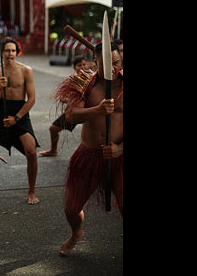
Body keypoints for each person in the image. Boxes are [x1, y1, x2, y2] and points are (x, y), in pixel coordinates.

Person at [53, 42, 123, 256]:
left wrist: (120, 149)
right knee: (71, 209)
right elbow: (71, 115)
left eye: (117, 62)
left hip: (120, 155)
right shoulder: (84, 83)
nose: (113, 68)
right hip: (88, 155)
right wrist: (98, 109)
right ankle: (76, 233)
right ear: (96, 62)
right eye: (107, 63)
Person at [0, 37, 40, 204]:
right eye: (7, 50)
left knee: (31, 152)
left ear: (17, 52)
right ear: (1, 52)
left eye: (13, 50)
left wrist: (17, 118)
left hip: (20, 112)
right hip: (0, 111)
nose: (10, 53)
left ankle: (31, 191)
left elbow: (32, 99)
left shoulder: (26, 70)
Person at [38, 56, 90, 157]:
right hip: (75, 111)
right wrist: (74, 101)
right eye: (80, 65)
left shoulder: (92, 78)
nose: (83, 67)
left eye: (84, 64)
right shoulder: (71, 81)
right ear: (74, 67)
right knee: (53, 128)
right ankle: (53, 150)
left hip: (90, 111)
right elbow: (62, 98)